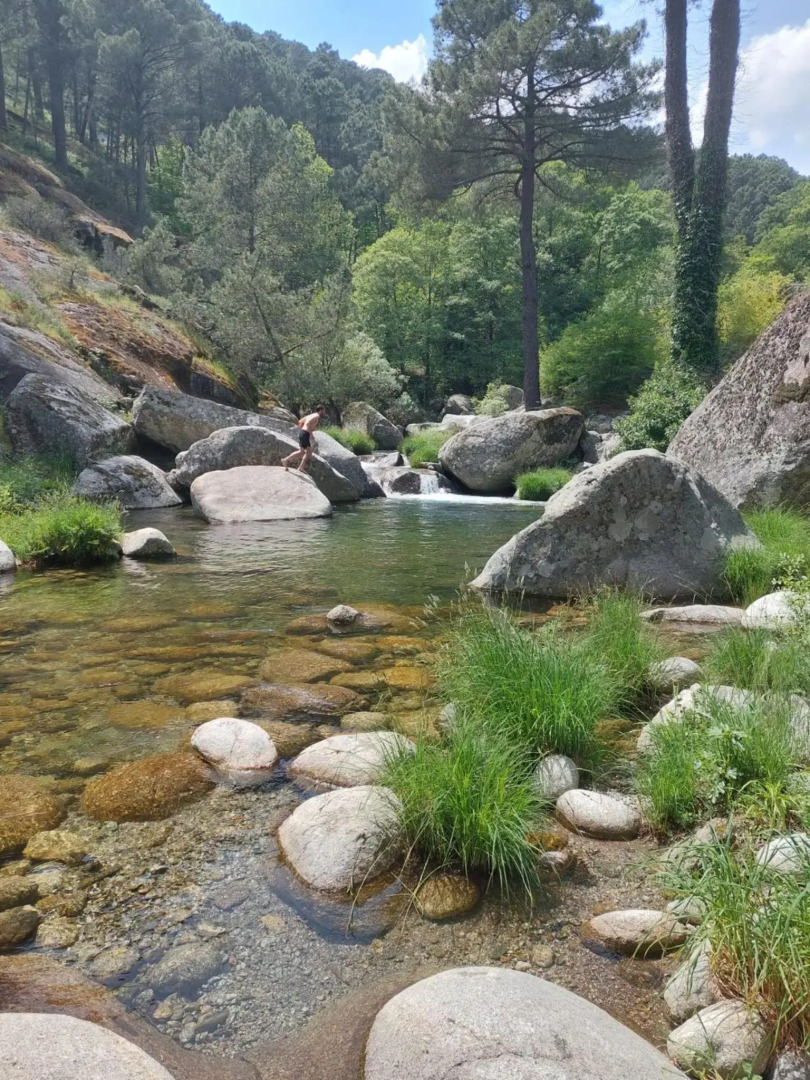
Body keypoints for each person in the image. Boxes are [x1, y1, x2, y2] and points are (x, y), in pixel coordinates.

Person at [282, 405, 326, 474]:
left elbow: (300, 421)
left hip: (303, 433)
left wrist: (302, 430)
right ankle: (298, 466)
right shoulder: (316, 416)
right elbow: (308, 424)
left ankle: (288, 461)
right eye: (324, 410)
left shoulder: (311, 415)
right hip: (305, 434)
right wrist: (310, 434)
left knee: (302, 452)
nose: (324, 412)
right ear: (321, 410)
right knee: (308, 452)